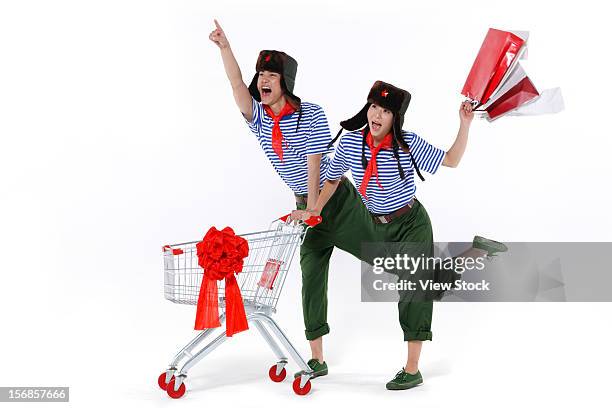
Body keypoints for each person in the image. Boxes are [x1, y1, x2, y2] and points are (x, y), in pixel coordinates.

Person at [292, 80, 507, 390]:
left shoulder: (407, 143)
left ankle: (412, 368)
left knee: (414, 288)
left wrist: (465, 123)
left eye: (386, 111)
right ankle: (476, 252)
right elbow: (333, 180)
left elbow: (452, 159)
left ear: (396, 118)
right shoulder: (352, 143)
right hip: (375, 224)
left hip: (411, 223)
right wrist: (315, 210)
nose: (377, 115)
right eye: (374, 107)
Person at [209, 20, 382, 380]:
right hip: (306, 206)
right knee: (311, 275)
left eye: (271, 74)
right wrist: (226, 48)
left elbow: (316, 163)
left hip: (335, 201)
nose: (262, 81)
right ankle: (316, 358)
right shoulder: (259, 119)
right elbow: (235, 85)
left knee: (384, 258)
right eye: (260, 75)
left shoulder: (311, 113)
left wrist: (314, 208)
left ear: (284, 82)